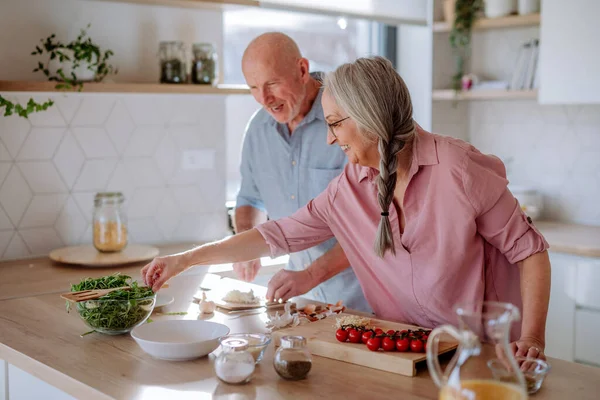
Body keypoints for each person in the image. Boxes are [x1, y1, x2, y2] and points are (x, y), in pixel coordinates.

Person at [142, 56, 551, 360]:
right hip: (402, 353)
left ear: (370, 117)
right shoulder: (350, 188)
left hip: (481, 353)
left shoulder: (457, 169)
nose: (330, 139)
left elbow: (530, 252)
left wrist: (532, 338)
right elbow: (276, 235)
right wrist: (187, 260)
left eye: (336, 124)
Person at [230, 32, 370, 312]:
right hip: (301, 304)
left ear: (302, 70)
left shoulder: (347, 120)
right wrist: (245, 246)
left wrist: (310, 275)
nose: (264, 98)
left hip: (363, 300)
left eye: (272, 84)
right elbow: (250, 198)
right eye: (254, 87)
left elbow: (370, 226)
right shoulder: (257, 130)